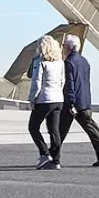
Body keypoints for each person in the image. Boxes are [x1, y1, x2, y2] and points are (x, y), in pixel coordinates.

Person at [59, 34, 99, 166]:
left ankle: (53, 157)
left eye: (64, 45)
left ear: (68, 48)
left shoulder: (68, 62)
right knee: (92, 129)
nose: (62, 48)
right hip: (85, 102)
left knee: (60, 130)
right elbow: (85, 82)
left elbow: (70, 84)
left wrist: (70, 103)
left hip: (73, 103)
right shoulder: (84, 61)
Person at [28, 34, 66, 170]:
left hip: (44, 99)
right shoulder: (60, 62)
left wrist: (32, 99)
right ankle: (56, 160)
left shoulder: (40, 61)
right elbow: (63, 81)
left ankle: (45, 153)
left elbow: (36, 83)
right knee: (54, 130)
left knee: (33, 127)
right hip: (58, 99)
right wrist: (58, 93)